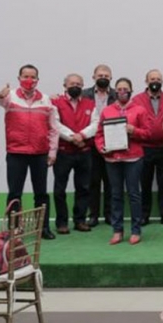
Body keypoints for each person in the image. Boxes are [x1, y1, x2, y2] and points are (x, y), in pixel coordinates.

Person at [0, 64, 59, 240]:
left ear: (38, 80)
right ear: (19, 78)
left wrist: (52, 153)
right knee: (15, 193)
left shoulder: (46, 100)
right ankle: (14, 230)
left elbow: (54, 129)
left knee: (41, 193)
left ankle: (43, 228)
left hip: (40, 153)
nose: (28, 80)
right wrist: (0, 94)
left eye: (32, 77)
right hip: (16, 152)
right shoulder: (10, 97)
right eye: (25, 76)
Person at [95, 78, 151, 245]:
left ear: (131, 90)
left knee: (134, 194)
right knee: (115, 195)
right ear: (115, 91)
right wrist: (101, 147)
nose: (122, 92)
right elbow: (99, 134)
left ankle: (136, 230)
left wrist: (134, 130)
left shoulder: (140, 110)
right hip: (112, 158)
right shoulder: (107, 111)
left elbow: (148, 133)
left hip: (134, 157)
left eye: (125, 89)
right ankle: (117, 230)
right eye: (119, 89)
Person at [52, 73, 98, 234]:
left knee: (84, 188)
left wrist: (82, 136)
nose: (75, 86)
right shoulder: (56, 102)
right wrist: (72, 137)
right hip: (64, 152)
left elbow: (95, 124)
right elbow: (54, 124)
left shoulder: (90, 103)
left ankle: (80, 220)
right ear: (65, 86)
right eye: (72, 83)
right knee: (59, 189)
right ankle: (61, 223)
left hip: (84, 152)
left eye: (79, 84)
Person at [132, 69, 163, 226]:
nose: (155, 81)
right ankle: (144, 215)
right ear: (146, 81)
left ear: (162, 81)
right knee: (145, 183)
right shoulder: (136, 100)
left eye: (158, 79)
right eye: (152, 79)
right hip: (144, 148)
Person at [83, 64, 117, 227]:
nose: (103, 77)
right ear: (93, 77)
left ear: (111, 77)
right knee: (93, 181)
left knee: (110, 181)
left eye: (106, 75)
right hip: (90, 144)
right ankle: (93, 214)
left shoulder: (118, 95)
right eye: (99, 75)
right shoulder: (84, 95)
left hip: (112, 143)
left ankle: (109, 215)